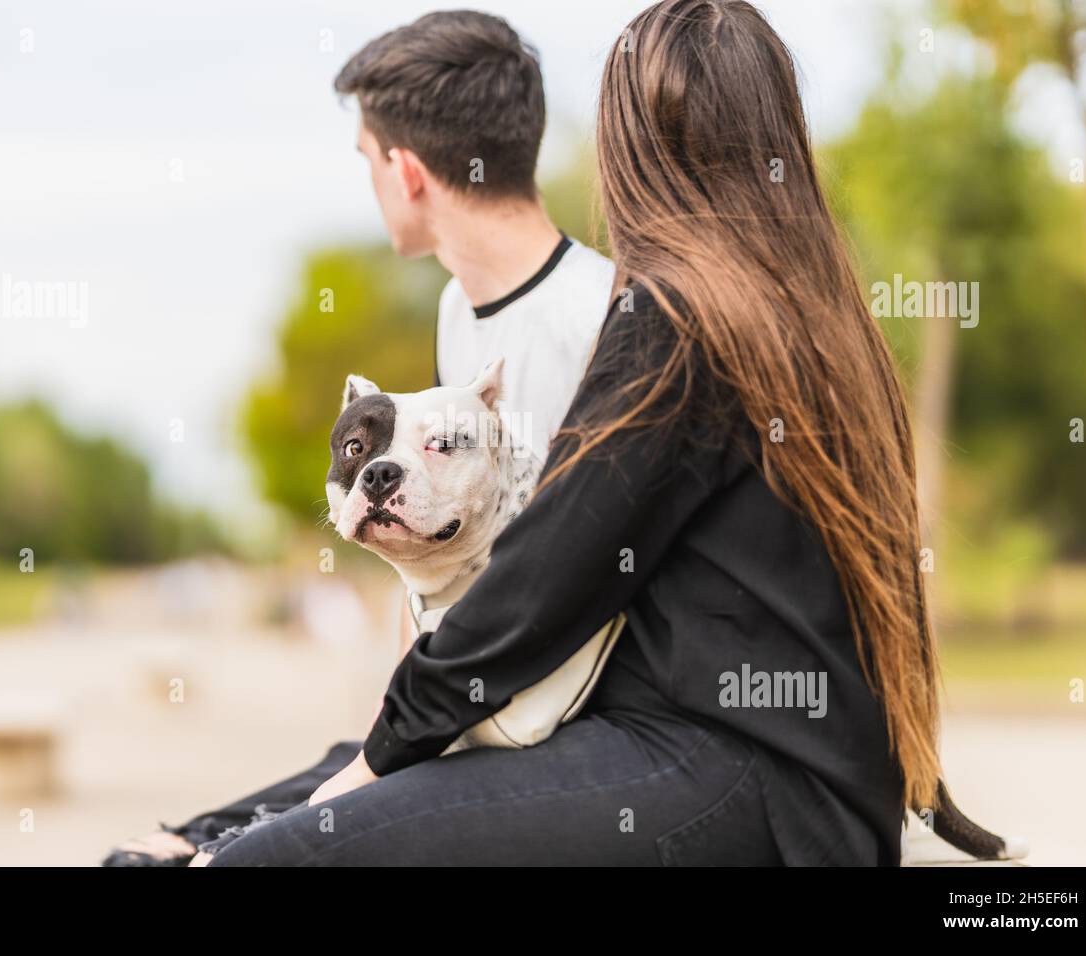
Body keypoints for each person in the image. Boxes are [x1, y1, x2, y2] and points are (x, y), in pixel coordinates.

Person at [205, 0, 943, 867]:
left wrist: (371, 760)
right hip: (799, 782)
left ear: (631, 140)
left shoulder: (672, 314)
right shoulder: (820, 314)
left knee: (272, 860)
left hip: (733, 773)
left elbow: (549, 574)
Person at [102, 10, 613, 867]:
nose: (369, 183)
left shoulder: (599, 314)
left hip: (567, 723)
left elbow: (578, 569)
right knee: (188, 835)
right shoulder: (460, 311)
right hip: (475, 699)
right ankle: (182, 838)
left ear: (406, 171)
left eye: (366, 162)